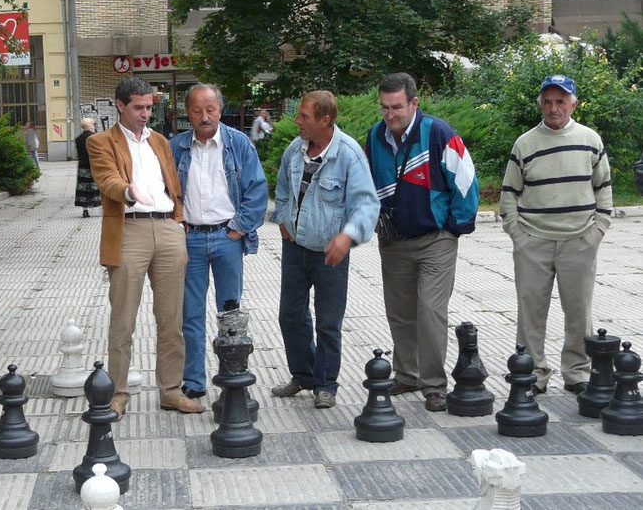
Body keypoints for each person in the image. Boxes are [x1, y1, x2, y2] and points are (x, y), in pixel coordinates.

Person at [87, 77, 203, 420]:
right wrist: (128, 191)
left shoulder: (160, 142)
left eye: (149, 107)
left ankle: (170, 391)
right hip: (129, 228)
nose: (145, 114)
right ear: (120, 105)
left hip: (166, 227)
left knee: (171, 319)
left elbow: (174, 183)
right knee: (123, 320)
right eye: (138, 107)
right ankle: (118, 393)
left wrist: (178, 222)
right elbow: (106, 179)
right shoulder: (100, 141)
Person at [365, 73, 479, 412]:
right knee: (400, 313)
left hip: (436, 239)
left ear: (415, 103)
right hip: (395, 240)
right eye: (384, 108)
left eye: (397, 107)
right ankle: (407, 373)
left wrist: (454, 226)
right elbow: (366, 183)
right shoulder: (375, 136)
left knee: (430, 310)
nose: (390, 115)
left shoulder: (438, 132)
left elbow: (466, 180)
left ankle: (434, 384)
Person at [500, 75, 612, 395]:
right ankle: (533, 372)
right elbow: (509, 194)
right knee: (530, 312)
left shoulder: (591, 140)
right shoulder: (525, 143)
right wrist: (518, 236)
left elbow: (603, 190)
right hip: (533, 240)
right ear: (540, 104)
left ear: (573, 104)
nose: (554, 107)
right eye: (547, 101)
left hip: (579, 239)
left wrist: (597, 232)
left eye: (561, 101)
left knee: (579, 311)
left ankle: (577, 372)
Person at [269, 91, 379, 409]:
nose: (297, 120)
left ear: (325, 120)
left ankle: (326, 383)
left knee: (328, 322)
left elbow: (367, 205)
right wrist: (283, 218)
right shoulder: (295, 149)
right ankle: (302, 375)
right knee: (290, 316)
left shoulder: (349, 154)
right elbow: (283, 187)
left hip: (331, 253)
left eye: (304, 116)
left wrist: (347, 237)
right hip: (295, 248)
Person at [169, 84, 268, 399]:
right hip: (191, 240)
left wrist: (237, 229)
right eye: (197, 110)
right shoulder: (176, 147)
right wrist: (177, 224)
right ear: (188, 113)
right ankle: (194, 381)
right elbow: (165, 191)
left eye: (210, 109)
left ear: (220, 110)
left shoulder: (238, 144)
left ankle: (232, 375)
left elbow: (257, 192)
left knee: (230, 313)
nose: (204, 116)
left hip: (227, 238)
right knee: (191, 314)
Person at [75, 118, 101, 217]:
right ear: (89, 126)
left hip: (82, 166)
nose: (94, 127)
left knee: (83, 189)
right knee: (98, 187)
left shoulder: (78, 139)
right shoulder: (94, 137)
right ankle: (102, 208)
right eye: (93, 125)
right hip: (93, 165)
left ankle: (85, 210)